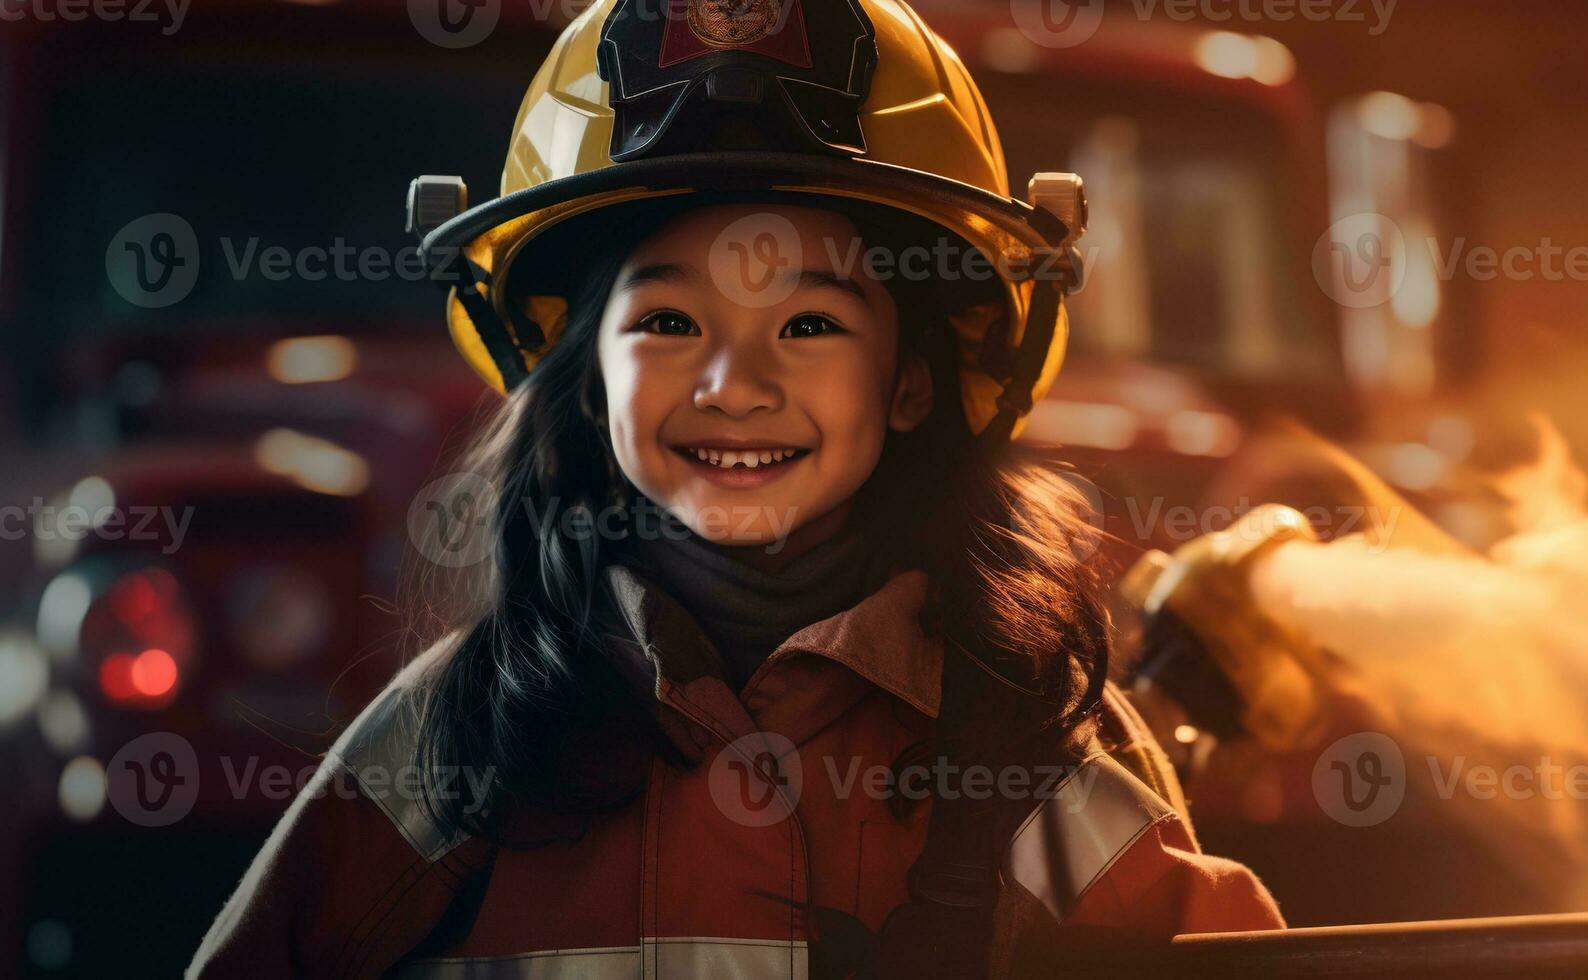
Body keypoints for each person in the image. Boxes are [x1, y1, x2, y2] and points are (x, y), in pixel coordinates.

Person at [190, 0, 1285, 975]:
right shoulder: (457, 735)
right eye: (667, 322)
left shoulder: (1043, 746)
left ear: (909, 382)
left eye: (809, 323)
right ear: (581, 383)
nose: (735, 385)